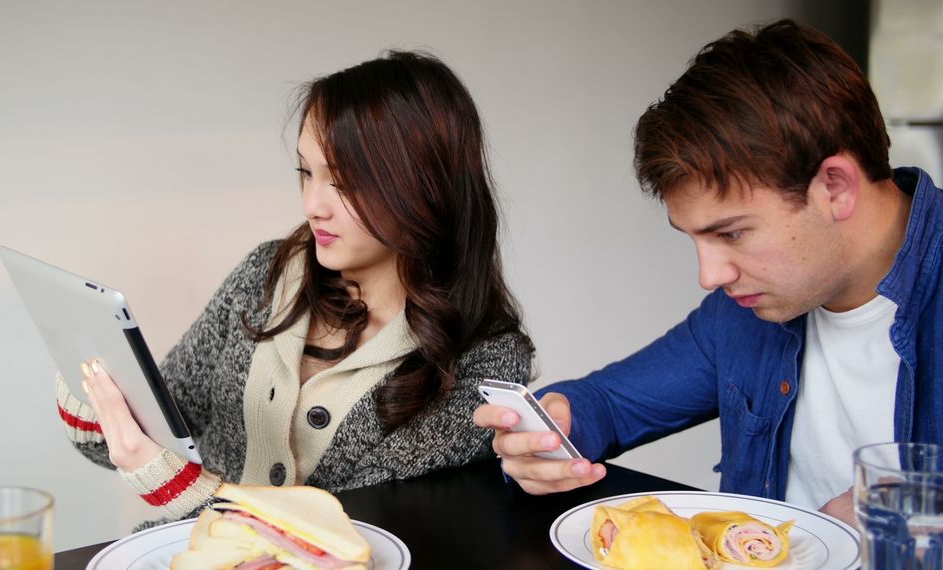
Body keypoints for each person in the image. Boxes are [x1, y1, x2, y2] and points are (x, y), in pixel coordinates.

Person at [475, 19, 943, 527]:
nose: (710, 275)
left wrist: (922, 508)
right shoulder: (741, 314)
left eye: (733, 234)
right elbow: (605, 403)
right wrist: (549, 428)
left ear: (835, 187)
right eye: (695, 238)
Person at [56, 50, 535, 524]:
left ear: (425, 187)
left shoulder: (485, 359)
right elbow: (131, 440)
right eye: (306, 172)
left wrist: (172, 485)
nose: (312, 205)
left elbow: (349, 535)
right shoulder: (267, 273)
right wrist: (90, 378)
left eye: (343, 182)